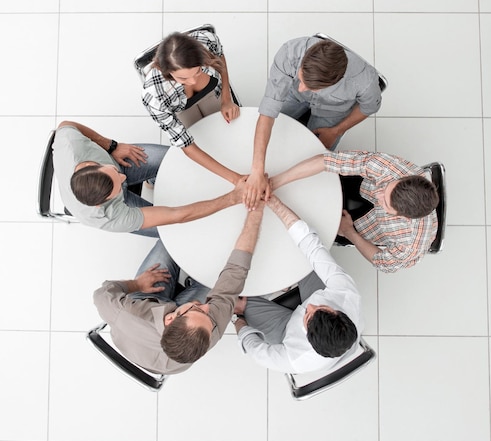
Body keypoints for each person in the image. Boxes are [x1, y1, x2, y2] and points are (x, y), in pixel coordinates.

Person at [93, 203, 265, 375]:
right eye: (208, 316)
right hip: (157, 336)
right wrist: (256, 211)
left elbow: (101, 294)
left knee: (171, 235)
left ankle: (185, 283)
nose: (206, 306)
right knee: (216, 280)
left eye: (198, 309)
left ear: (170, 318)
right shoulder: (209, 333)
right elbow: (236, 272)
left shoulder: (124, 313)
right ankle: (191, 284)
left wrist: (137, 284)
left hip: (145, 305)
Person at [244, 36, 382, 209]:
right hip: (293, 97)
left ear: (333, 83)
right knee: (269, 137)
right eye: (300, 79)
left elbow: (369, 108)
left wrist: (337, 131)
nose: (301, 87)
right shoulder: (289, 53)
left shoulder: (364, 81)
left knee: (311, 161)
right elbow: (267, 114)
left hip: (332, 111)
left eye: (310, 86)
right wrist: (257, 171)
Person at [232, 195, 362, 374]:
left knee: (232, 297)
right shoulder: (346, 294)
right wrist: (275, 203)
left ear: (307, 336)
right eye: (321, 307)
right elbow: (313, 247)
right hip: (320, 293)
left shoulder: (295, 358)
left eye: (307, 316)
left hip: (284, 330)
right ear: (337, 312)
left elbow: (256, 351)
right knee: (308, 255)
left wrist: (238, 319)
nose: (309, 306)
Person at [53, 121, 245, 237]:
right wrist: (232, 198)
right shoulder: (109, 216)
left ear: (91, 164)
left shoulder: (70, 144)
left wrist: (111, 146)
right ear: (102, 203)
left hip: (114, 156)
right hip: (121, 206)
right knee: (172, 232)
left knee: (175, 158)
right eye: (118, 185)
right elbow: (177, 215)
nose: (123, 178)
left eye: (114, 173)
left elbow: (66, 125)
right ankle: (149, 182)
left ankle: (152, 180)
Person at [269, 151, 439, 273]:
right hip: (362, 187)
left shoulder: (411, 245)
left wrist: (349, 232)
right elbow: (327, 161)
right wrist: (273, 184)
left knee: (303, 232)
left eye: (385, 202)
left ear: (403, 217)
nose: (378, 193)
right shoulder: (390, 169)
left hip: (360, 228)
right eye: (386, 188)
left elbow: (381, 261)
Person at [141, 28, 241, 184]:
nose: (193, 81)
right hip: (181, 109)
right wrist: (235, 178)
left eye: (198, 71)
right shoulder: (153, 96)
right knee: (203, 145)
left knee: (227, 135)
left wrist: (226, 99)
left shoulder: (207, 40)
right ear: (167, 72)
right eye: (183, 78)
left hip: (212, 93)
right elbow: (187, 145)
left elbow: (220, 61)